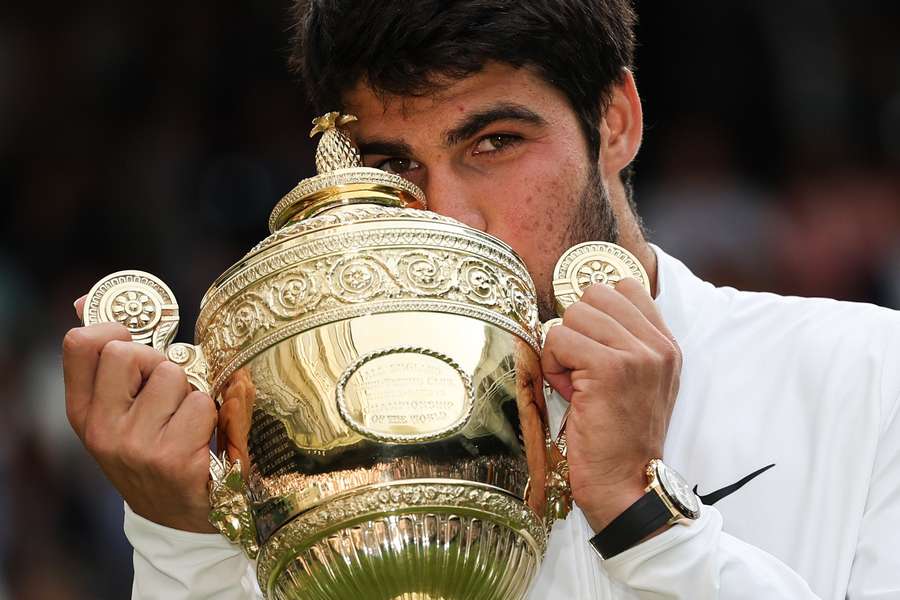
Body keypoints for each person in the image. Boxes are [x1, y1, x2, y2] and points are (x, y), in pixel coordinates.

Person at [62, 1, 900, 598]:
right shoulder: (299, 449)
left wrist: (644, 521)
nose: (450, 216)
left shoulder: (869, 374)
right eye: (396, 168)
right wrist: (181, 541)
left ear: (617, 121)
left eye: (494, 143)